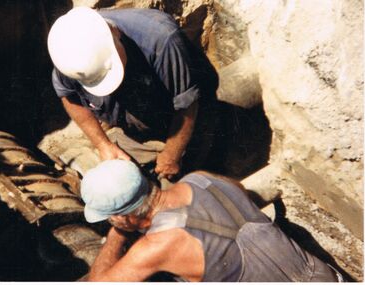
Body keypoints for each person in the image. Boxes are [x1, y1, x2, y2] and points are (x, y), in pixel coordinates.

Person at [80, 159, 343, 282]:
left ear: (124, 216)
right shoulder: (202, 178)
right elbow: (243, 194)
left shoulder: (155, 247)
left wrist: (118, 234)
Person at [47, 6, 219, 180]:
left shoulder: (161, 40)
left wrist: (171, 156)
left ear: (116, 34)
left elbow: (187, 104)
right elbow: (69, 95)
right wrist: (102, 144)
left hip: (188, 115)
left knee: (182, 180)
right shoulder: (68, 53)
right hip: (135, 119)